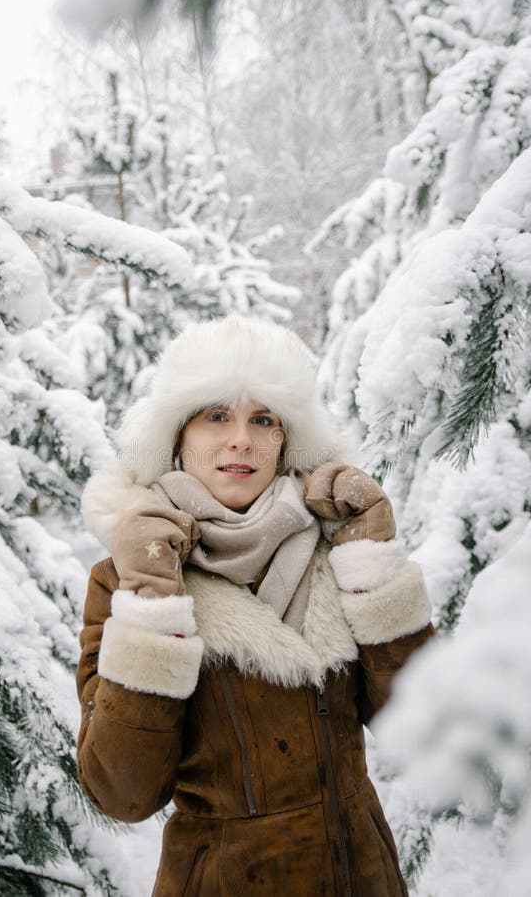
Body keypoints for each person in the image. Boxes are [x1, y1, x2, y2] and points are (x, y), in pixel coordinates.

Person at [77, 314, 434, 897]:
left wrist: (374, 560)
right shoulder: (128, 578)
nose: (241, 439)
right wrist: (153, 607)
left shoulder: (333, 548)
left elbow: (423, 731)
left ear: (285, 440)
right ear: (177, 438)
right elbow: (123, 792)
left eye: (262, 419)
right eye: (217, 415)